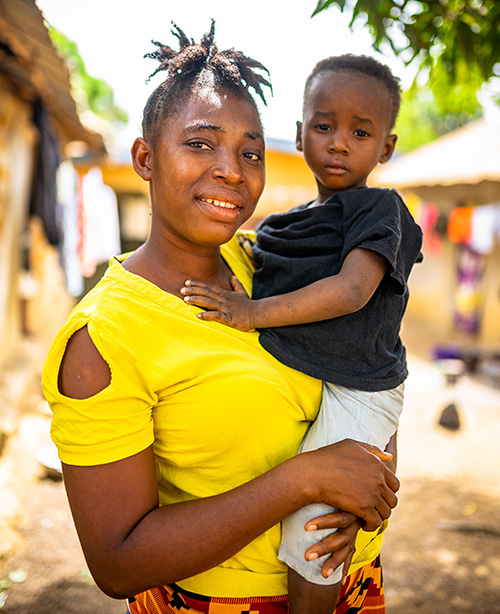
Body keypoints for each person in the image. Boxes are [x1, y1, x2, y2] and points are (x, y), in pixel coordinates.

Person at [42, 25, 400, 614]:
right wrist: (306, 481)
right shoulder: (105, 337)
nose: (232, 170)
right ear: (145, 158)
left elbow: (368, 353)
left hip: (354, 583)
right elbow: (116, 562)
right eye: (201, 144)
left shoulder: (273, 261)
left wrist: (371, 481)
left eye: (250, 152)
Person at [181, 54, 423, 614]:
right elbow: (248, 259)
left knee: (314, 532)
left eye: (360, 132)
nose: (339, 142)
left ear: (384, 148)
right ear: (299, 135)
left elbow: (351, 292)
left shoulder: (379, 209)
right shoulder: (282, 226)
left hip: (360, 388)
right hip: (310, 381)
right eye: (324, 126)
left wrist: (250, 314)